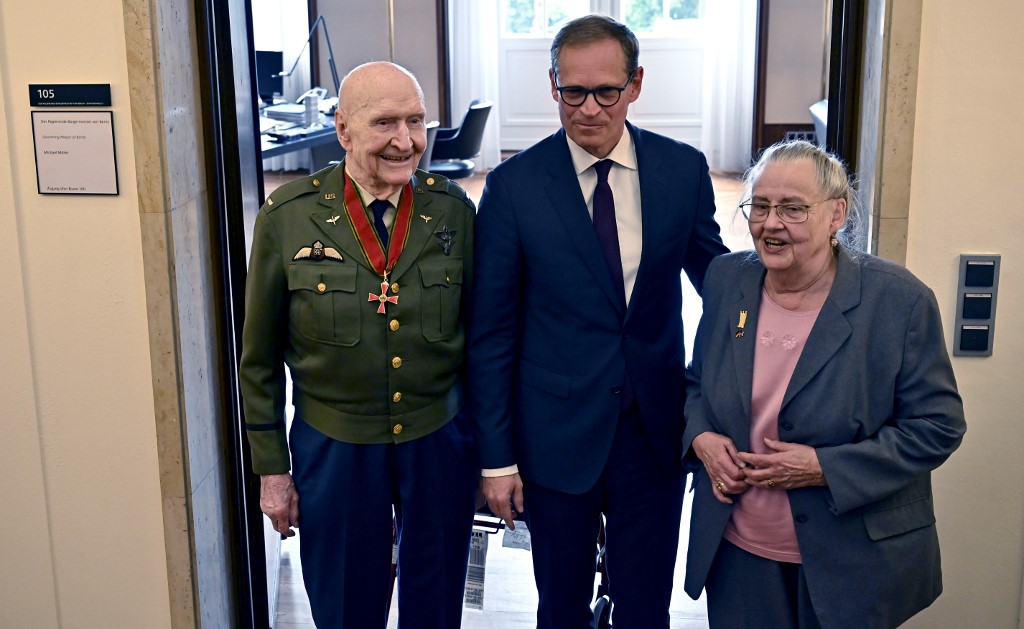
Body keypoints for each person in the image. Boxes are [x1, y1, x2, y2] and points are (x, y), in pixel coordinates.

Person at [467, 14, 728, 629]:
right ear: (551, 85)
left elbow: (722, 286)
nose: (589, 108)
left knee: (644, 607)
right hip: (554, 437)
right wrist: (497, 459)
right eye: (572, 91)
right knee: (559, 607)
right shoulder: (512, 188)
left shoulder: (682, 171)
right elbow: (492, 334)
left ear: (635, 85)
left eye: (606, 91)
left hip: (653, 432)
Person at [682, 140, 966, 628]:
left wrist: (824, 468)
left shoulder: (898, 302)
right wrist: (701, 438)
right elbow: (695, 385)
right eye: (761, 206)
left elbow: (937, 427)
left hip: (851, 560)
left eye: (792, 208)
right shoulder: (728, 279)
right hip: (739, 552)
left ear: (837, 213)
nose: (771, 224)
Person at [239, 61, 477, 628]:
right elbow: (259, 361)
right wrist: (273, 472)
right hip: (334, 445)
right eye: (385, 123)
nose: (405, 141)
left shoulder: (454, 212)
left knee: (437, 604)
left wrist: (490, 455)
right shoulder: (288, 218)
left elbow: (481, 345)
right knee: (346, 603)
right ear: (343, 130)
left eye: (416, 121)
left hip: (436, 442)